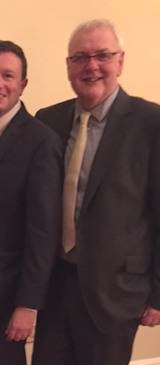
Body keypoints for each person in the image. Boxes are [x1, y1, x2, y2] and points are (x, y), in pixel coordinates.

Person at [31, 19, 160, 365]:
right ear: (69, 67)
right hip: (56, 285)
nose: (91, 66)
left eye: (102, 55)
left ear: (120, 61)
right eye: (80, 57)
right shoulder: (48, 120)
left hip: (116, 293)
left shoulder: (151, 123)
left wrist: (158, 295)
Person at [0, 40, 63, 365]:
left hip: (6, 295)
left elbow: (44, 233)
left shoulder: (42, 142)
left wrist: (28, 304)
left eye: (7, 76)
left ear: (23, 85)